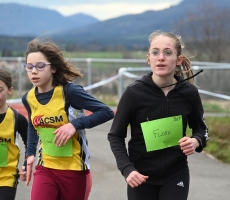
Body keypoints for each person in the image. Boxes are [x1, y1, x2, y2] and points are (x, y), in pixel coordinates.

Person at [107, 30, 209, 200]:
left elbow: (202, 129)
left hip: (176, 173)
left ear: (178, 60)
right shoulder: (134, 93)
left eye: (168, 53)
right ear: (149, 59)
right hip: (141, 176)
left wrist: (196, 141)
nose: (161, 57)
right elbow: (115, 136)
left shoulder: (189, 93)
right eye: (155, 52)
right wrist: (127, 169)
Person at [20, 38, 115, 200]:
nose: (34, 71)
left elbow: (106, 111)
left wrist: (74, 125)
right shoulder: (28, 98)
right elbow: (32, 126)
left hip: (74, 170)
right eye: (29, 67)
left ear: (54, 68)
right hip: (46, 167)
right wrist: (29, 154)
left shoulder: (70, 92)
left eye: (40, 66)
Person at [0, 69, 28, 200]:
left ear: (9, 90)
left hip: (7, 177)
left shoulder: (18, 118)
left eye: (0, 90)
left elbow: (30, 142)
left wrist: (26, 165)